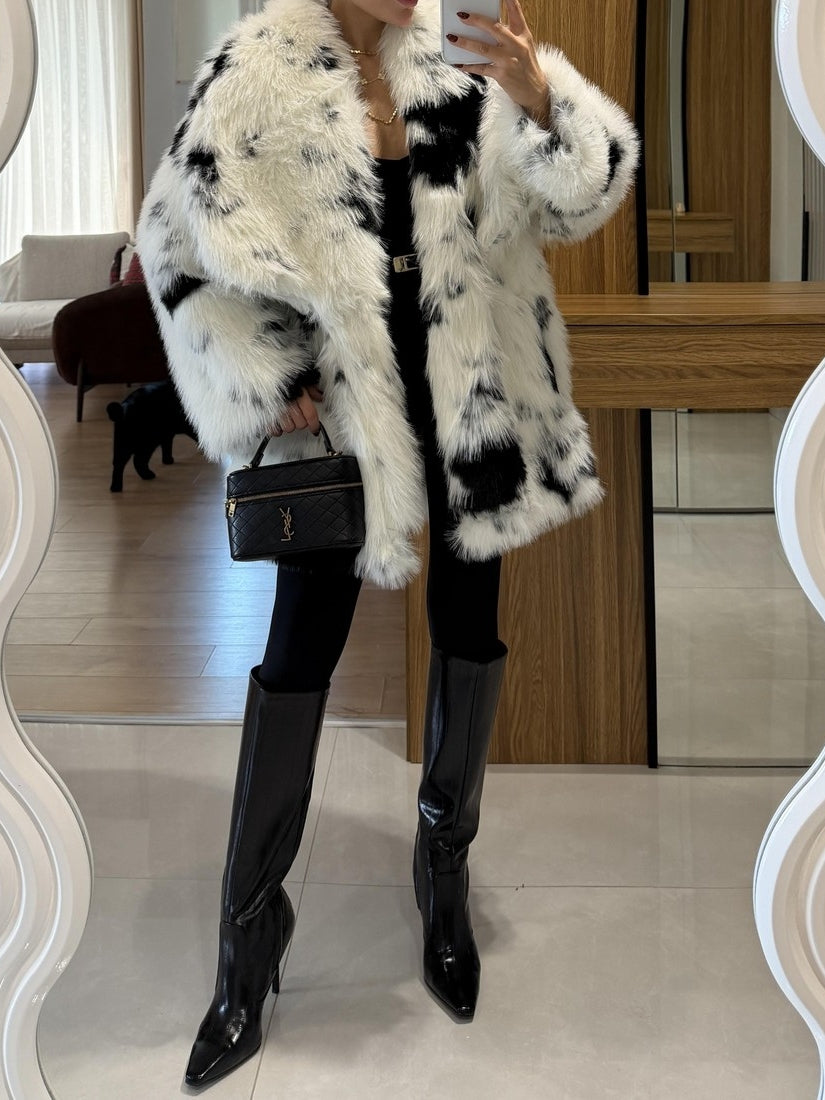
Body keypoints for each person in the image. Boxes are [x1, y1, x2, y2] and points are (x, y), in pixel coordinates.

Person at [136, 0, 639, 1086]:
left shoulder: (469, 67)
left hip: (468, 399)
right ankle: (247, 937)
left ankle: (442, 871)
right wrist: (267, 373)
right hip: (345, 416)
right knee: (297, 652)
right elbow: (174, 245)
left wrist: (541, 96)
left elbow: (580, 198)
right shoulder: (257, 69)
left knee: (469, 626)